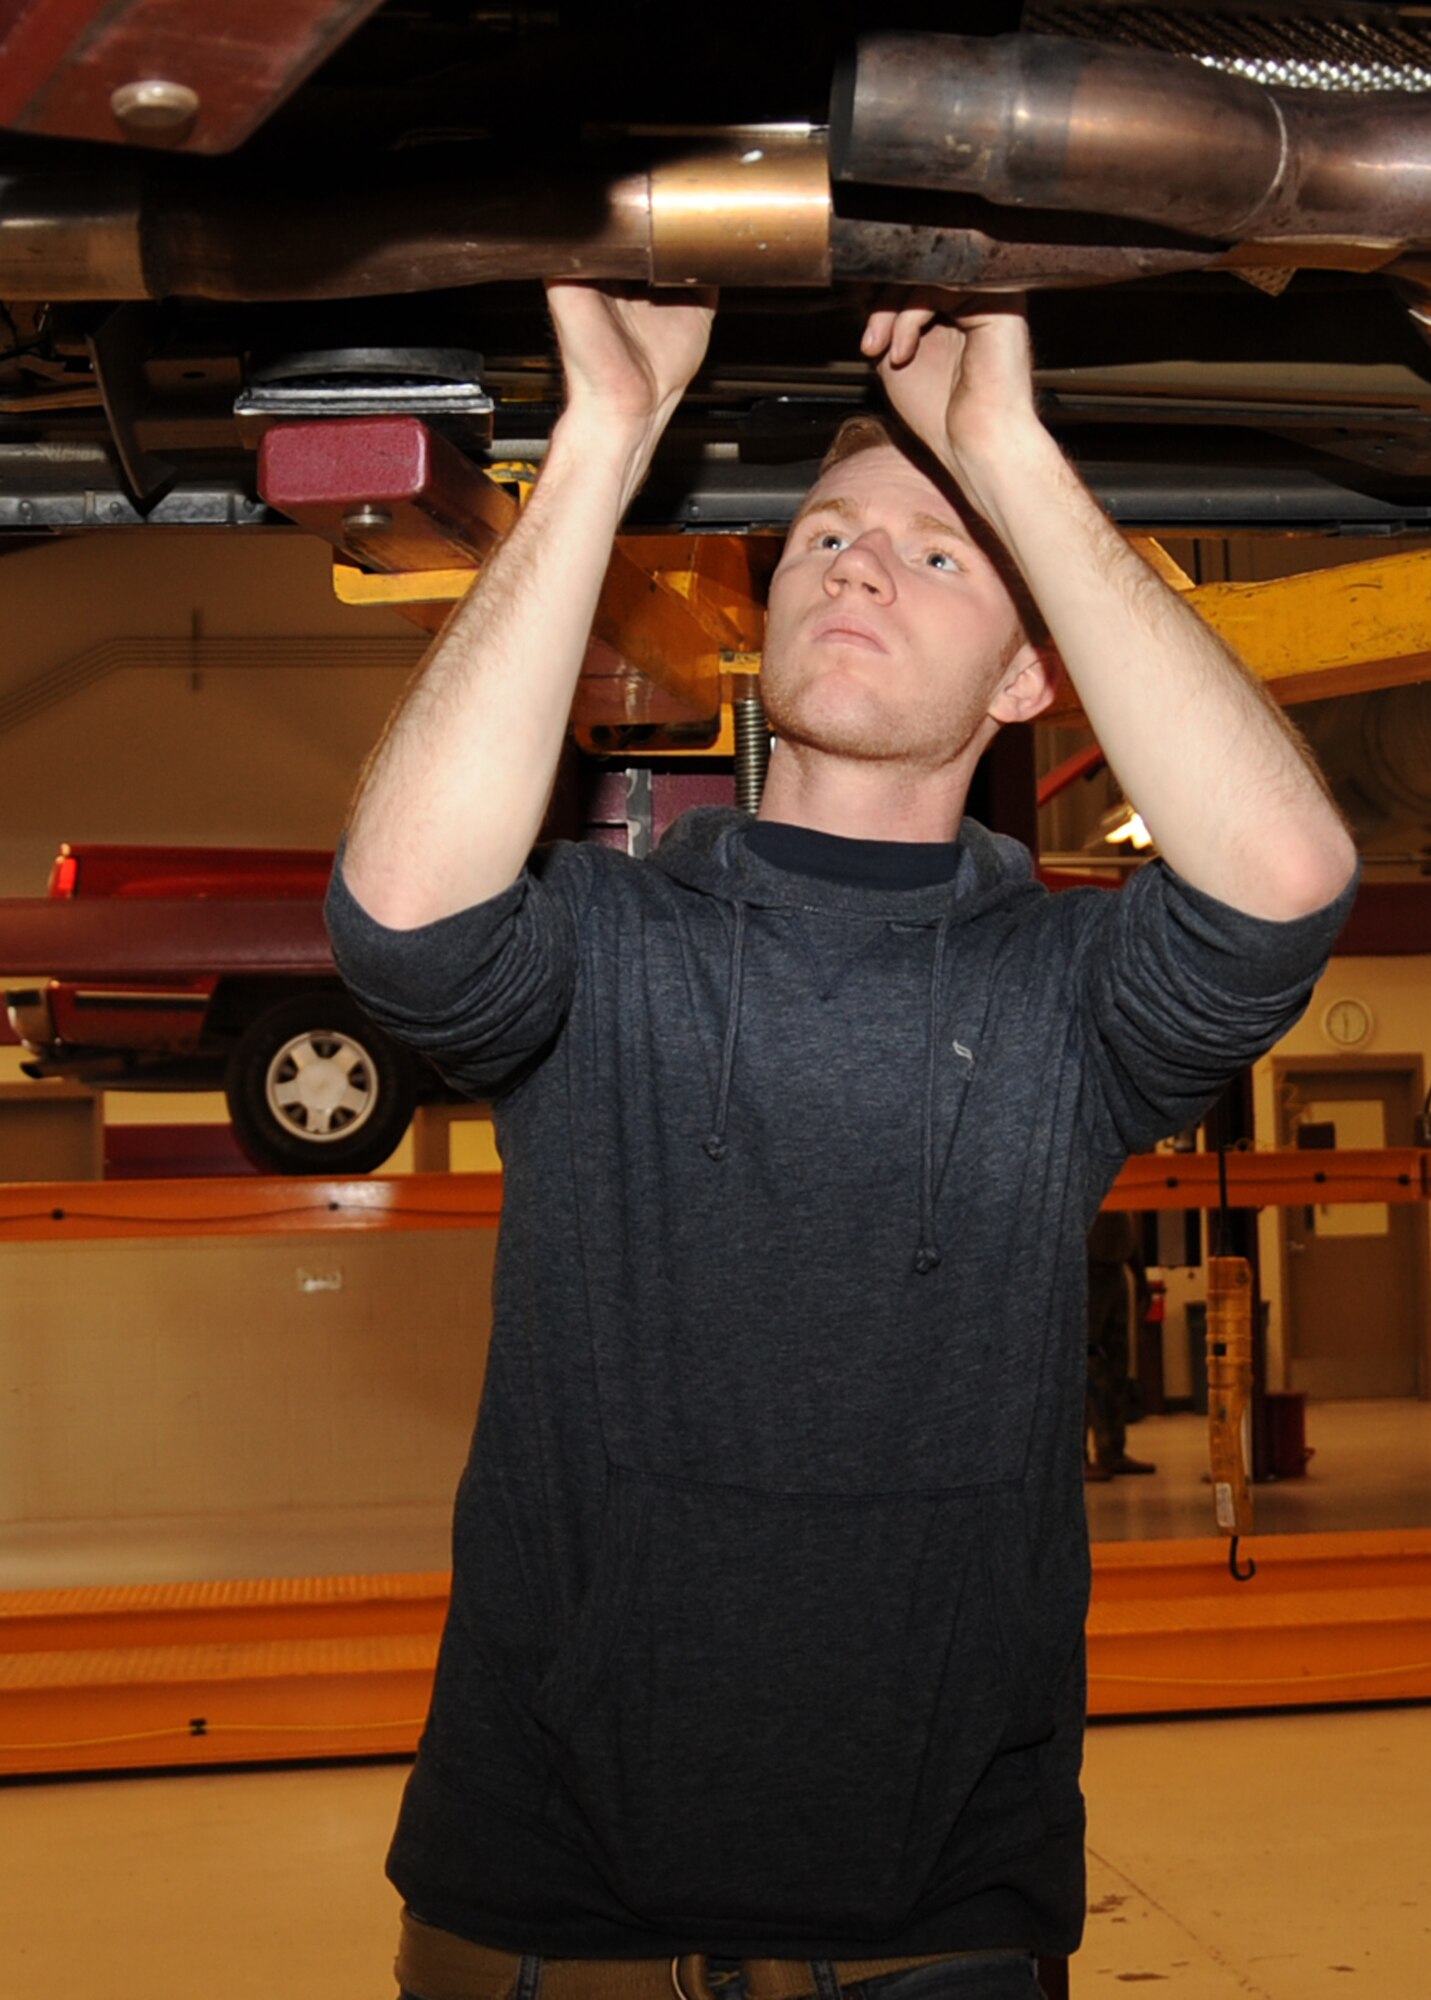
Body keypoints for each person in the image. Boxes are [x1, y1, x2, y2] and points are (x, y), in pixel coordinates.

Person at [327, 284, 1357, 2000]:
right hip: (545, 1919)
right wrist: (605, 439)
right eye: (824, 536)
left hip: (934, 1925)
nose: (861, 564)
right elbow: (407, 914)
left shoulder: (1070, 991)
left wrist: (1010, 458)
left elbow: (1284, 883)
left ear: (1034, 673)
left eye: (938, 556)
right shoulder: (601, 940)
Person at [1082, 1210, 1153, 1482]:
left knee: (1117, 1366)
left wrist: (1141, 1279)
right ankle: (1079, 1457)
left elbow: (1129, 1227)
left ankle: (1113, 1450)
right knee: (1086, 1365)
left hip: (1116, 1269)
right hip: (1087, 1269)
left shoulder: (1123, 1177)